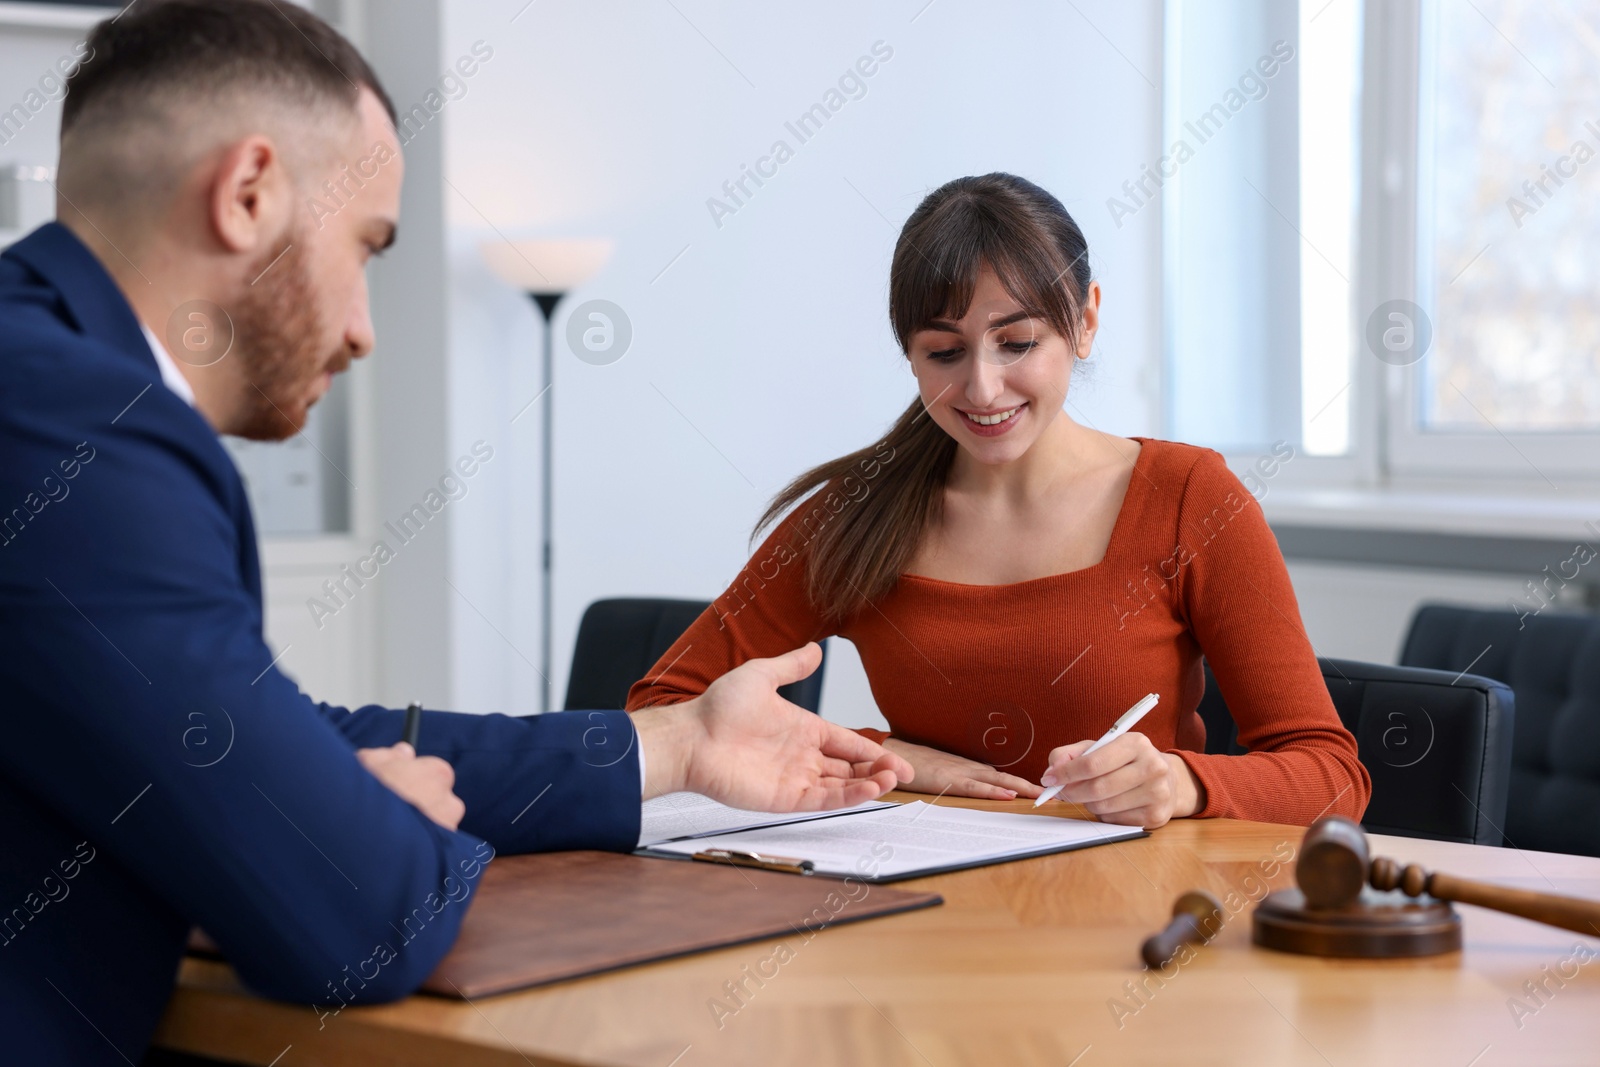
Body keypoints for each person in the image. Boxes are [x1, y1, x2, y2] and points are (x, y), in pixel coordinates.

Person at [0, 3, 911, 1064]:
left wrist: (675, 743)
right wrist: (366, 829)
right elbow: (356, 918)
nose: (363, 329)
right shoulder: (79, 431)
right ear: (248, 193)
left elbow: (280, 735)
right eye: (367, 247)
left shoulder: (47, 386)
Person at [629, 173, 1370, 830]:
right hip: (922, 920)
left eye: (1016, 343)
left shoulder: (1188, 497)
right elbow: (661, 715)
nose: (981, 390)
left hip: (1135, 927)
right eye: (944, 353)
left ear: (1084, 322)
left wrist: (1181, 782)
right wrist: (891, 758)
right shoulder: (853, 517)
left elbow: (1332, 777)